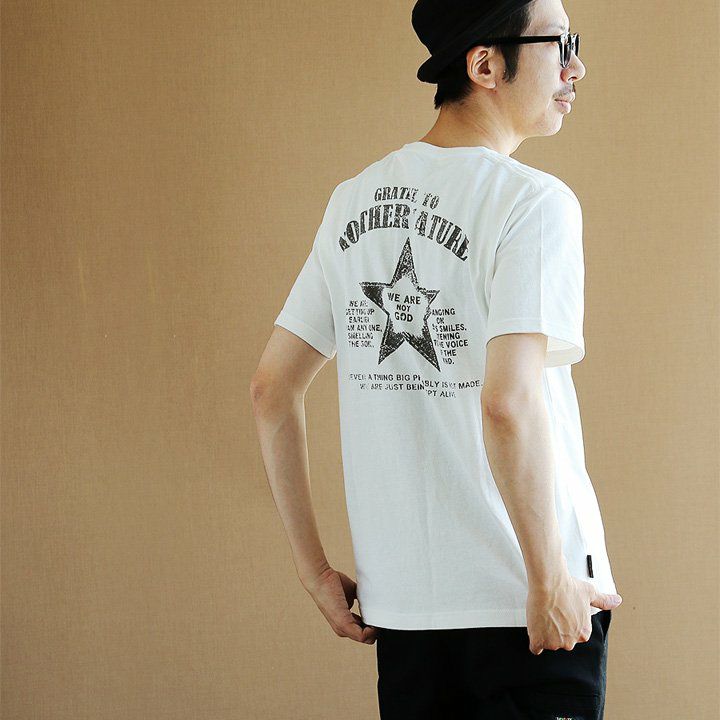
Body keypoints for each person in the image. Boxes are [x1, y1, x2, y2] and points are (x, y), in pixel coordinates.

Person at [250, 0, 623, 716]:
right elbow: (508, 402)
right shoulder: (532, 203)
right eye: (560, 43)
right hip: (526, 608)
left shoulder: (351, 202)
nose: (576, 67)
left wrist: (315, 572)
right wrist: (548, 579)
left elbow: (271, 388)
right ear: (484, 64)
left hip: (406, 617)